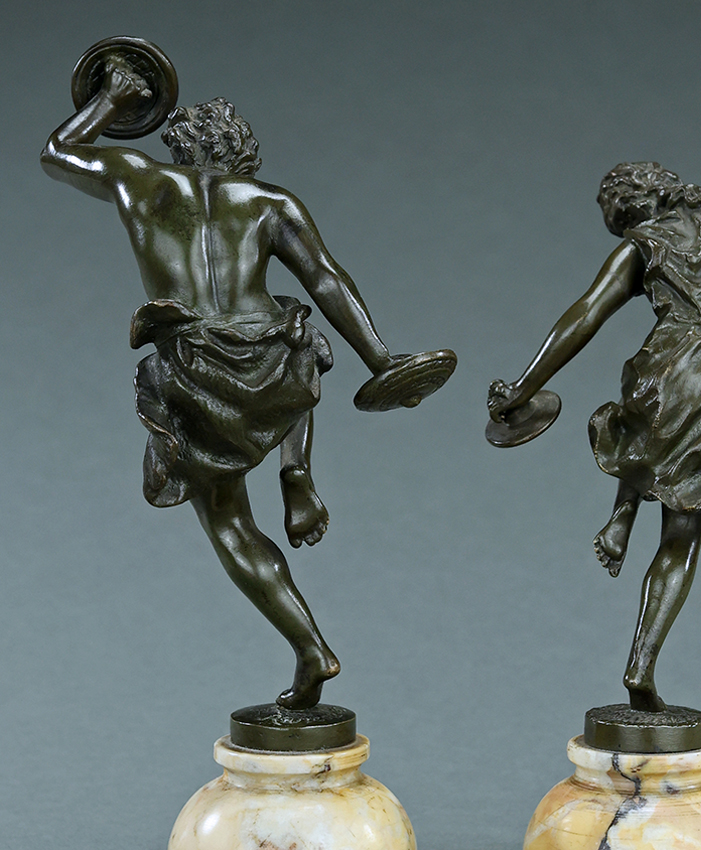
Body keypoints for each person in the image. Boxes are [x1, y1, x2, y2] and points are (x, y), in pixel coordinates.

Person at [42, 55, 420, 709]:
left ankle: (311, 647)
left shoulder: (140, 179)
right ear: (240, 148)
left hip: (195, 374)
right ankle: (295, 468)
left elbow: (57, 152)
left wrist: (111, 99)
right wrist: (381, 359)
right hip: (271, 361)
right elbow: (326, 279)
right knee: (295, 333)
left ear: (180, 148)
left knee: (228, 524)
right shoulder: (271, 202)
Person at [489, 156, 701, 712]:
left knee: (639, 422)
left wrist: (522, 387)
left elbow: (585, 314)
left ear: (630, 207)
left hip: (672, 361)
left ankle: (624, 511)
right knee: (682, 538)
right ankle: (642, 663)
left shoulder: (641, 246)